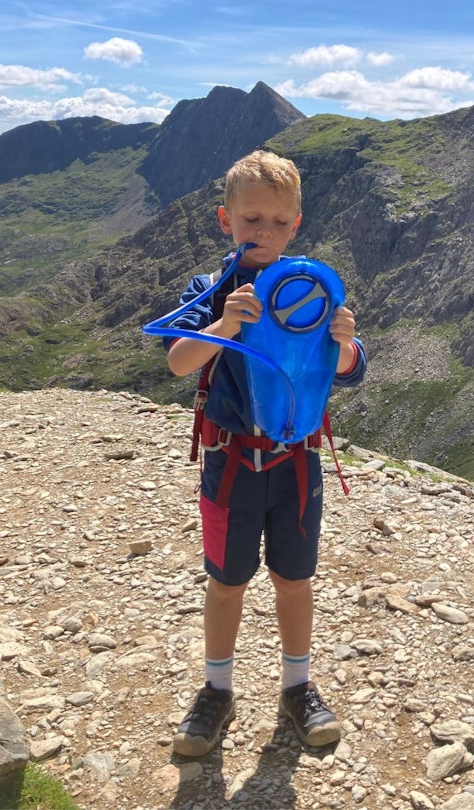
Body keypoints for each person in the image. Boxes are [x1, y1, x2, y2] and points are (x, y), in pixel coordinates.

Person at [163, 150, 366, 754]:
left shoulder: (311, 291)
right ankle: (216, 691)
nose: (264, 233)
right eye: (252, 219)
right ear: (225, 220)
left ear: (295, 225)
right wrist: (223, 325)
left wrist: (346, 342)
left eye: (278, 223)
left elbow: (350, 370)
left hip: (297, 462)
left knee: (294, 578)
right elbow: (178, 362)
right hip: (230, 463)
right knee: (226, 582)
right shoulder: (208, 291)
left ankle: (297, 687)